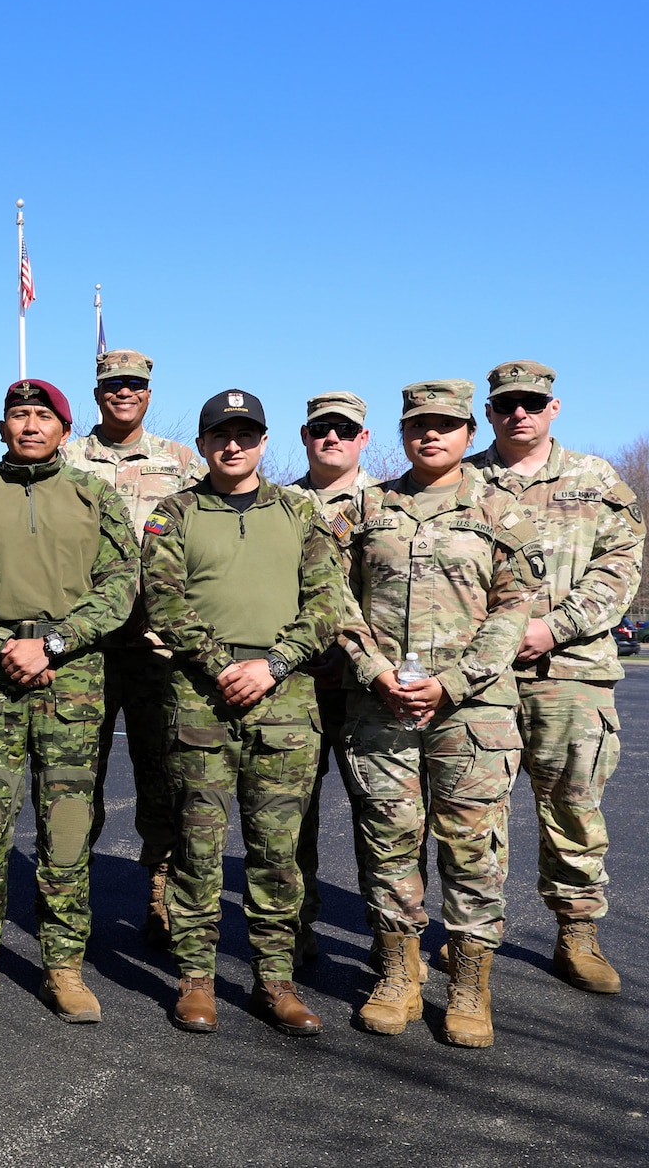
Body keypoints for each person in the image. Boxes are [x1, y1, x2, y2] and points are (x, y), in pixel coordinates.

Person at [336, 380, 542, 1047]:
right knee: (388, 837)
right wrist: (374, 670)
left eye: (446, 424)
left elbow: (513, 611)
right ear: (402, 432)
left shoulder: (500, 511)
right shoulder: (366, 508)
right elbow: (335, 601)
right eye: (418, 424)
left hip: (472, 710)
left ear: (469, 433)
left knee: (473, 847)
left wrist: (454, 682)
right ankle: (399, 973)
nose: (431, 434)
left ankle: (470, 984)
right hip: (381, 705)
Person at [0, 380, 136, 1019]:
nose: (30, 425)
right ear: (2, 427)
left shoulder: (94, 494)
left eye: (43, 416)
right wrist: (0, 643)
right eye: (18, 415)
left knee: (66, 828)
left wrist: (55, 644)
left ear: (65, 431)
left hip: (71, 676)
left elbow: (122, 583)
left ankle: (63, 966)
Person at [141, 389, 342, 1036]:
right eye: (221, 435)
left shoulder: (299, 512)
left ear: (264, 442)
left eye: (246, 434)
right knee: (196, 847)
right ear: (202, 444)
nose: (234, 445)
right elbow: (163, 600)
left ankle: (275, 980)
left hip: (285, 699)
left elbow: (327, 604)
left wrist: (274, 663)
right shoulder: (175, 513)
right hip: (202, 696)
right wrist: (220, 664)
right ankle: (196, 979)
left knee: (277, 852)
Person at [468, 360, 644, 994]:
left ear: (554, 408)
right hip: (480, 679)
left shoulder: (595, 479)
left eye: (532, 403)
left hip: (569, 672)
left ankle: (577, 931)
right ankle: (471, 938)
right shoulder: (463, 480)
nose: (520, 413)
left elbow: (620, 567)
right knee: (474, 812)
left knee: (573, 805)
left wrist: (554, 628)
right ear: (489, 412)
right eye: (506, 403)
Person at [63, 348, 206, 947]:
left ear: (149, 393)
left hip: (155, 647)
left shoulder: (182, 463)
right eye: (113, 384)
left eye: (134, 384)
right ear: (98, 392)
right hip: (84, 648)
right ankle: (69, 896)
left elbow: (206, 539)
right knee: (74, 777)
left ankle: (160, 891)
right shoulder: (67, 457)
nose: (123, 392)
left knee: (163, 774)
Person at [285, 390, 379, 965]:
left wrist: (358, 656)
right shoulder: (277, 504)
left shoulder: (390, 504)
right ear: (305, 436)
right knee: (293, 813)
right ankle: (295, 928)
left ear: (363, 438)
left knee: (384, 815)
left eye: (345, 429)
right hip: (298, 680)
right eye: (321, 429)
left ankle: (392, 938)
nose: (332, 438)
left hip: (368, 686)